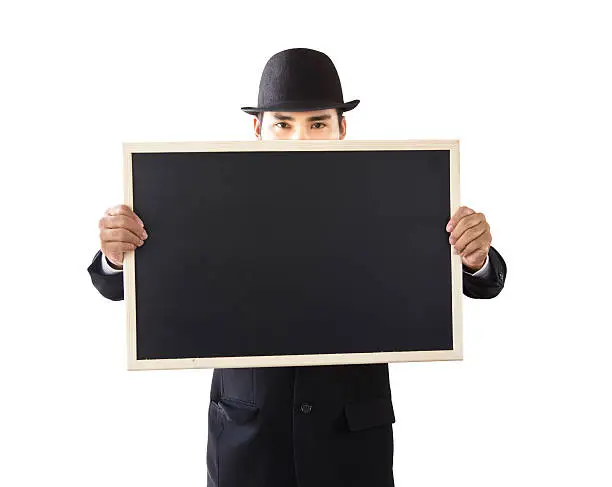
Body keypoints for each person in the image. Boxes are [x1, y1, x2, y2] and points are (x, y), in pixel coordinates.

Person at [87, 48, 507, 487]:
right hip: (247, 438)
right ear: (258, 128)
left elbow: (476, 281)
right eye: (283, 124)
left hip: (352, 444)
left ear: (342, 128)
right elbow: (123, 285)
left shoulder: (385, 197)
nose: (300, 139)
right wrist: (117, 257)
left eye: (317, 124)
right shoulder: (212, 200)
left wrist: (475, 259)